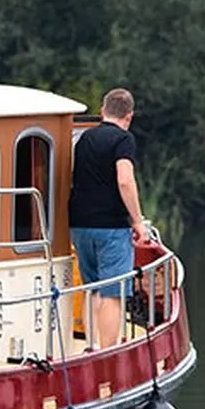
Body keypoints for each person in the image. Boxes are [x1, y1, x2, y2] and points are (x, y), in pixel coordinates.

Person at [68, 88, 147, 349]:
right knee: (113, 292)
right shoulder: (123, 140)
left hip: (79, 225)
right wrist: (137, 221)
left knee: (92, 288)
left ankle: (90, 346)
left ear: (103, 111)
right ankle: (107, 353)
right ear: (129, 116)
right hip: (110, 226)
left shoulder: (84, 138)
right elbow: (124, 179)